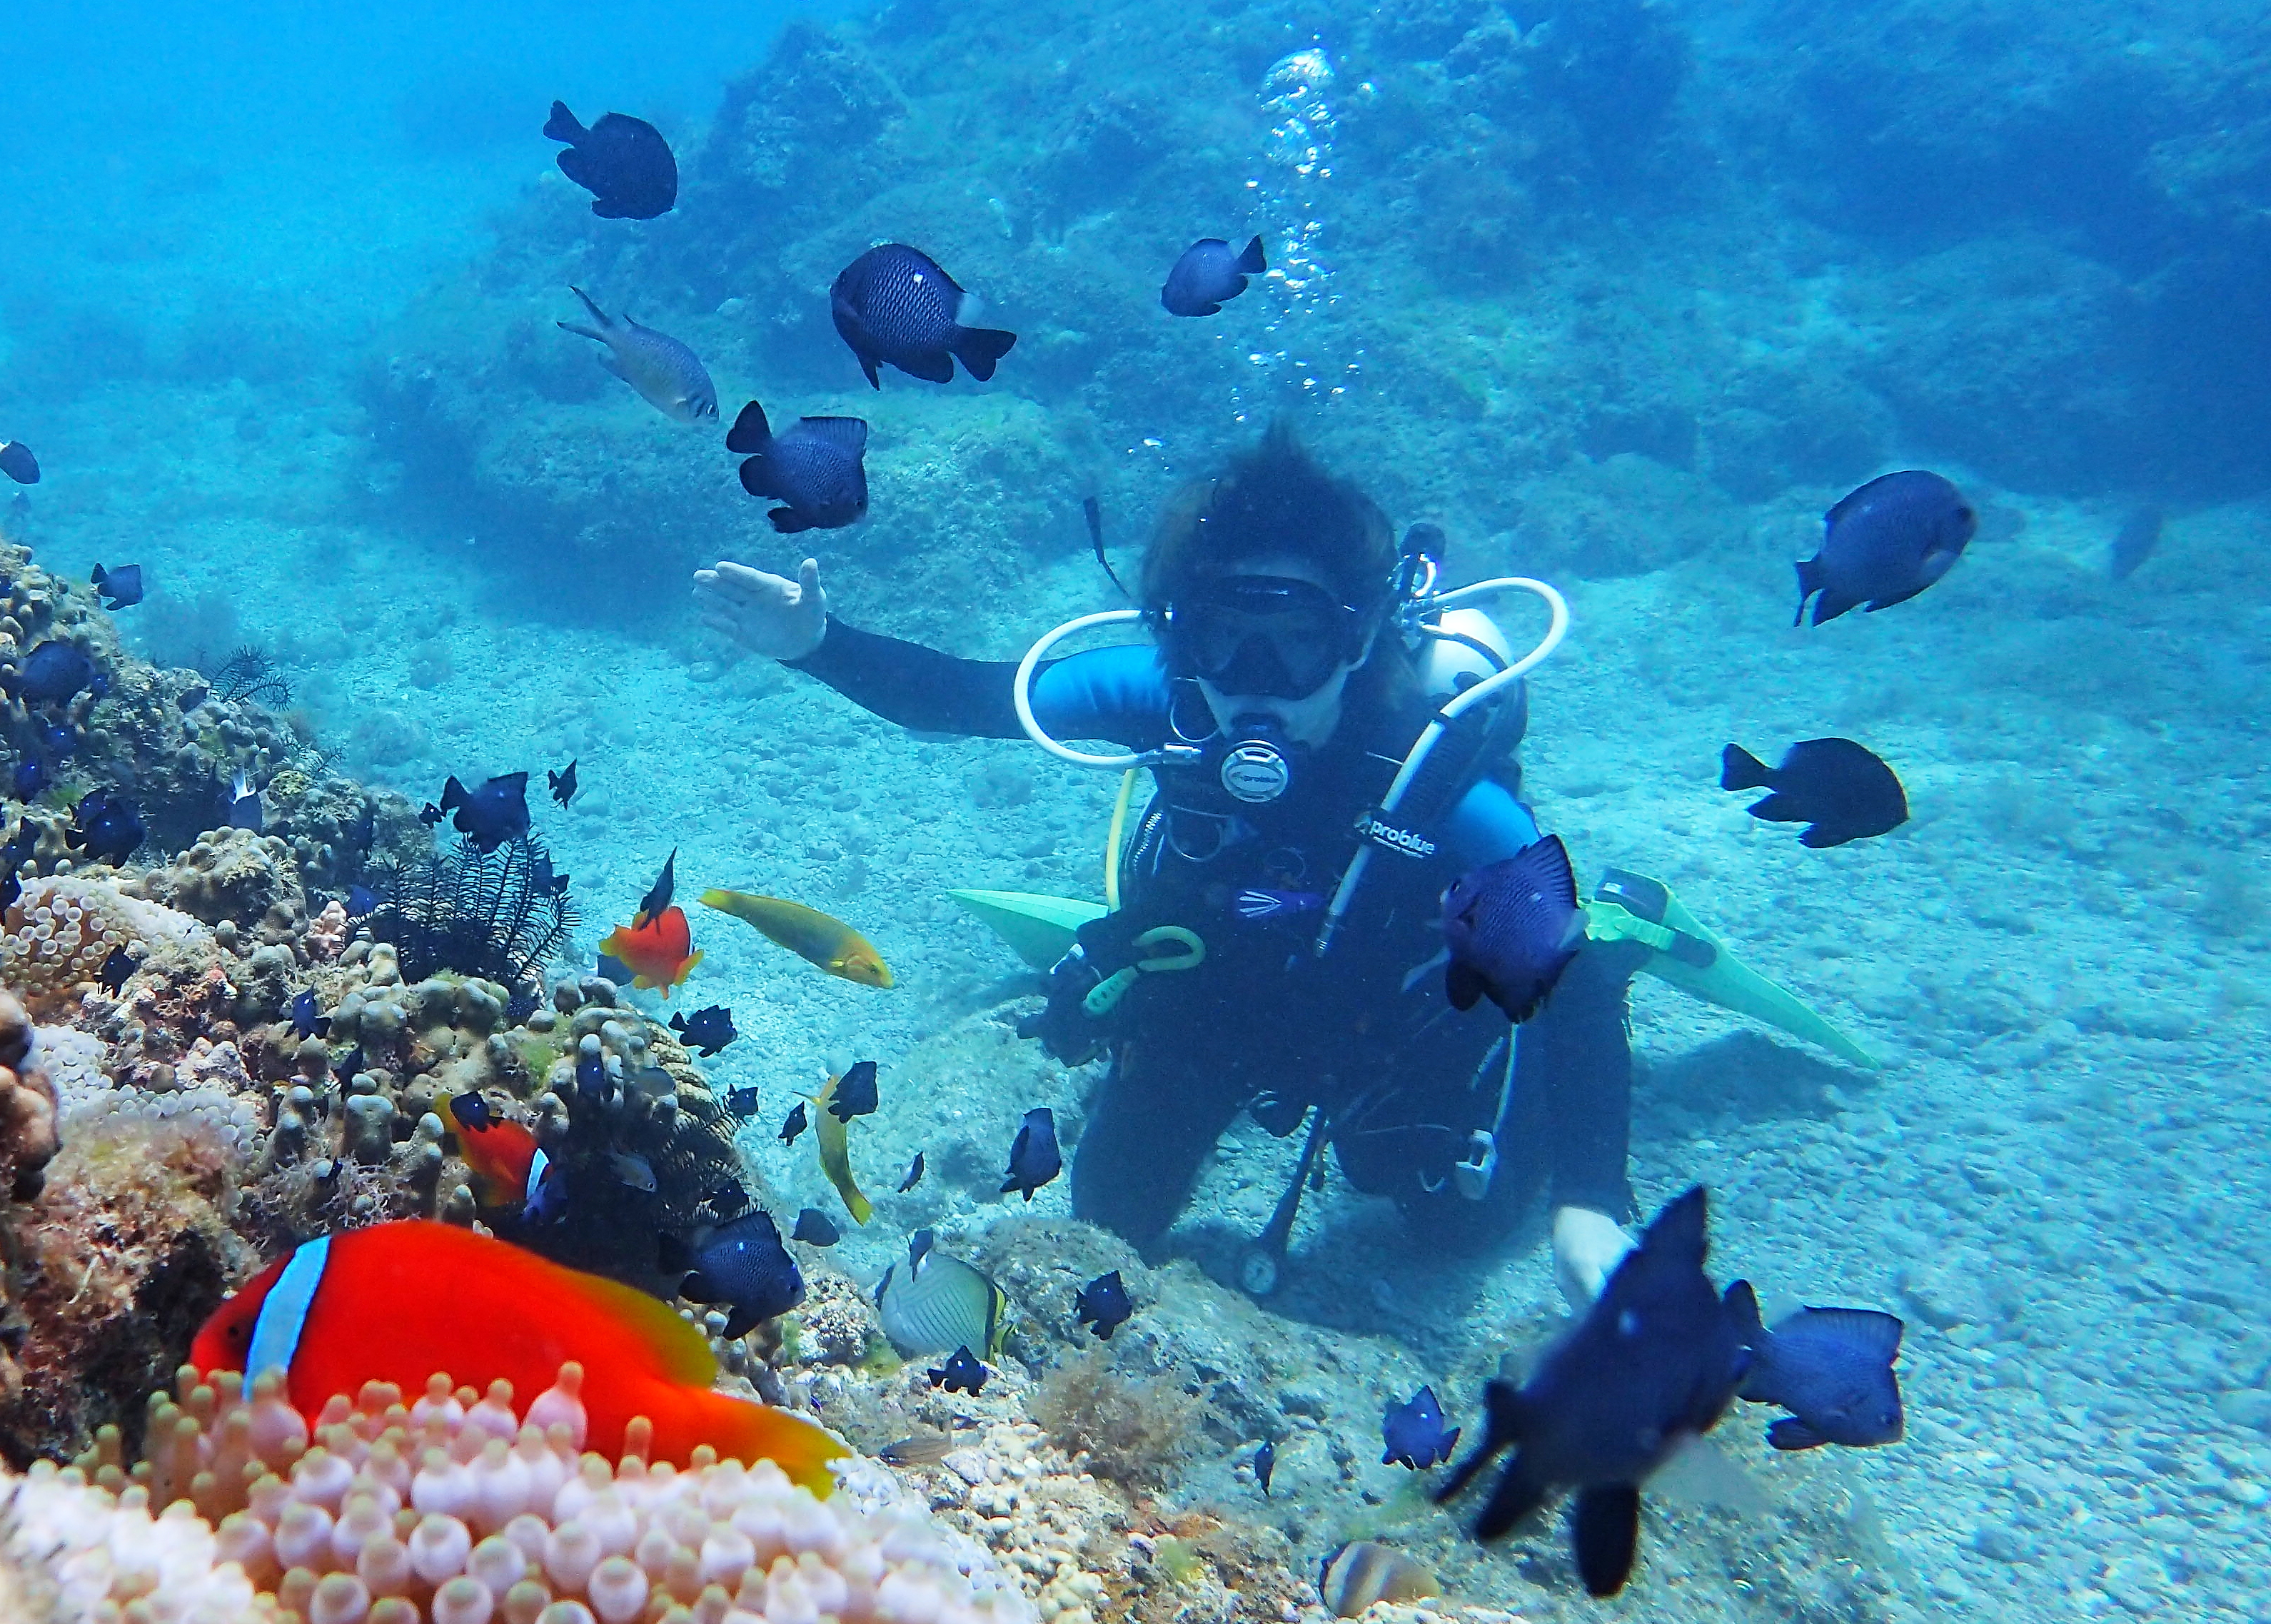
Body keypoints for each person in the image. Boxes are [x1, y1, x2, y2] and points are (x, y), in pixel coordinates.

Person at [694, 426, 1633, 1259]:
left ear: (1357, 640)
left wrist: (1590, 1201)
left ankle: (1608, 982)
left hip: (1391, 1015)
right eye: (1227, 639)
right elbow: (964, 699)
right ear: (1182, 640)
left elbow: (1567, 959)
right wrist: (819, 643)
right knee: (1110, 1215)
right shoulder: (1162, 694)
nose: (1255, 679)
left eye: (1295, 641)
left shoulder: (1419, 764)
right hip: (1225, 985)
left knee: (1449, 1227)